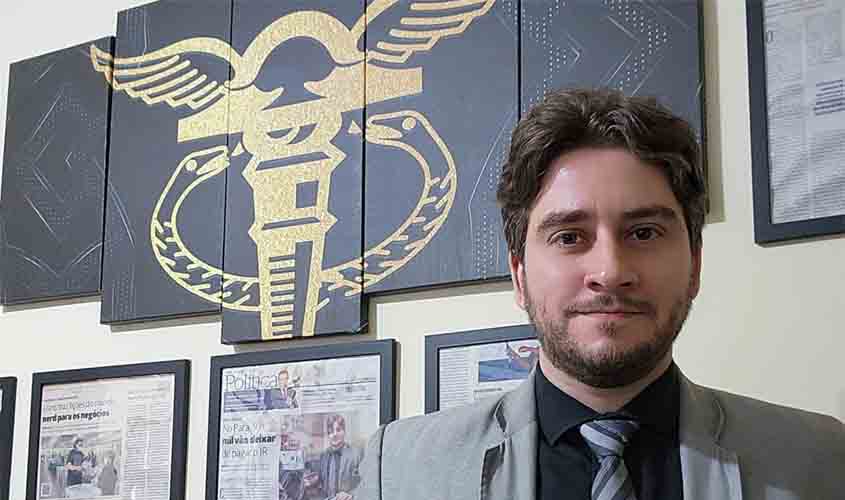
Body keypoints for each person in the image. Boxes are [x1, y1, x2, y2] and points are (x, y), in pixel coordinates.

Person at [355, 88, 845, 500]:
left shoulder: (821, 461)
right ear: (519, 274)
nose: (610, 272)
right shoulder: (399, 471)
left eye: (644, 233)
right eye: (569, 237)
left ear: (695, 264)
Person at [315, 414, 362, 500]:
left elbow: (365, 483)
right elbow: (321, 486)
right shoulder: (323, 456)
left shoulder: (356, 454)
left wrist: (351, 494)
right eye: (330, 432)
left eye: (338, 430)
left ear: (344, 431)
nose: (334, 434)